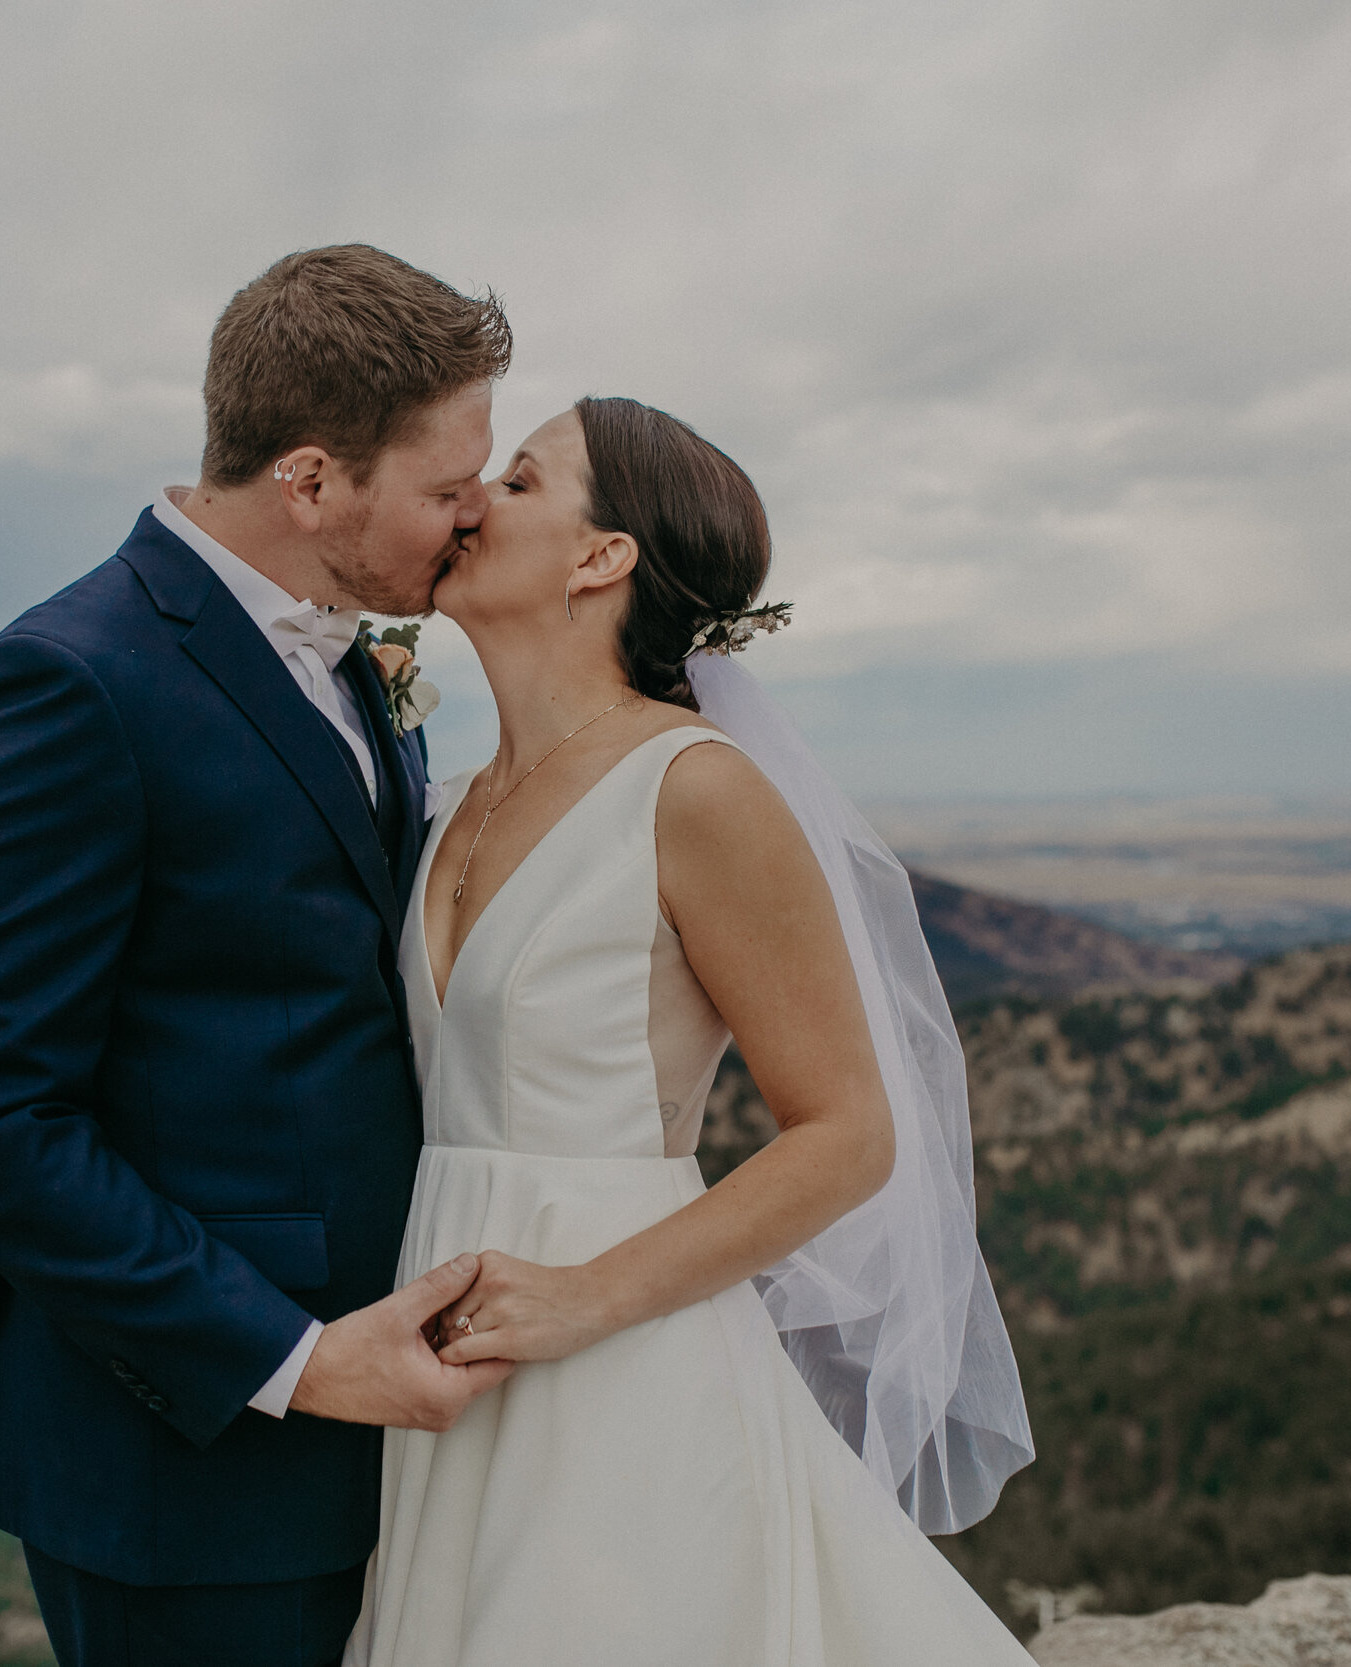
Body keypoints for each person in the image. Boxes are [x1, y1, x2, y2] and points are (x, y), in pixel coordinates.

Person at [0, 245, 517, 1667]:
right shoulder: (69, 681)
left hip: (385, 1437)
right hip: (189, 1466)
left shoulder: (361, 653)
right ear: (309, 481)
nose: (475, 513)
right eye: (445, 486)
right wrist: (295, 1359)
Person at [344, 397, 1037, 1664]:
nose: (471, 498)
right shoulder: (445, 802)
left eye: (520, 476)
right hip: (445, 1334)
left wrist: (579, 1300)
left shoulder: (695, 787)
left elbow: (849, 1133)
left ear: (600, 556)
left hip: (619, 1344)